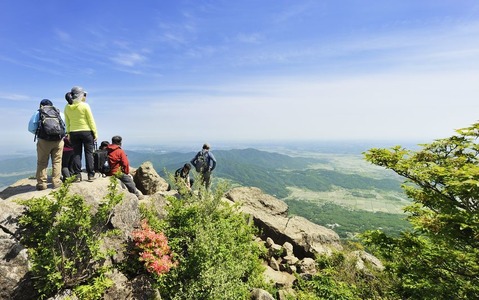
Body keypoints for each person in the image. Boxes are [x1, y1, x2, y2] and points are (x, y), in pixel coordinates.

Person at [28, 99, 65, 190]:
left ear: (41, 105)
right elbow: (65, 127)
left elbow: (31, 128)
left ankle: (41, 184)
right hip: (58, 140)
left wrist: (40, 134)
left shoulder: (38, 113)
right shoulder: (59, 113)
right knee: (57, 161)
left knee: (42, 162)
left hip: (44, 141)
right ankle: (56, 182)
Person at [64, 86, 98, 182]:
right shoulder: (85, 105)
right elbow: (91, 120)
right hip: (87, 132)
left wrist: (68, 133)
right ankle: (90, 175)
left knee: (76, 154)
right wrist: (95, 133)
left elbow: (67, 122)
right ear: (80, 95)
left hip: (73, 132)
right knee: (89, 153)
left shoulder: (67, 107)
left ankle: (77, 175)